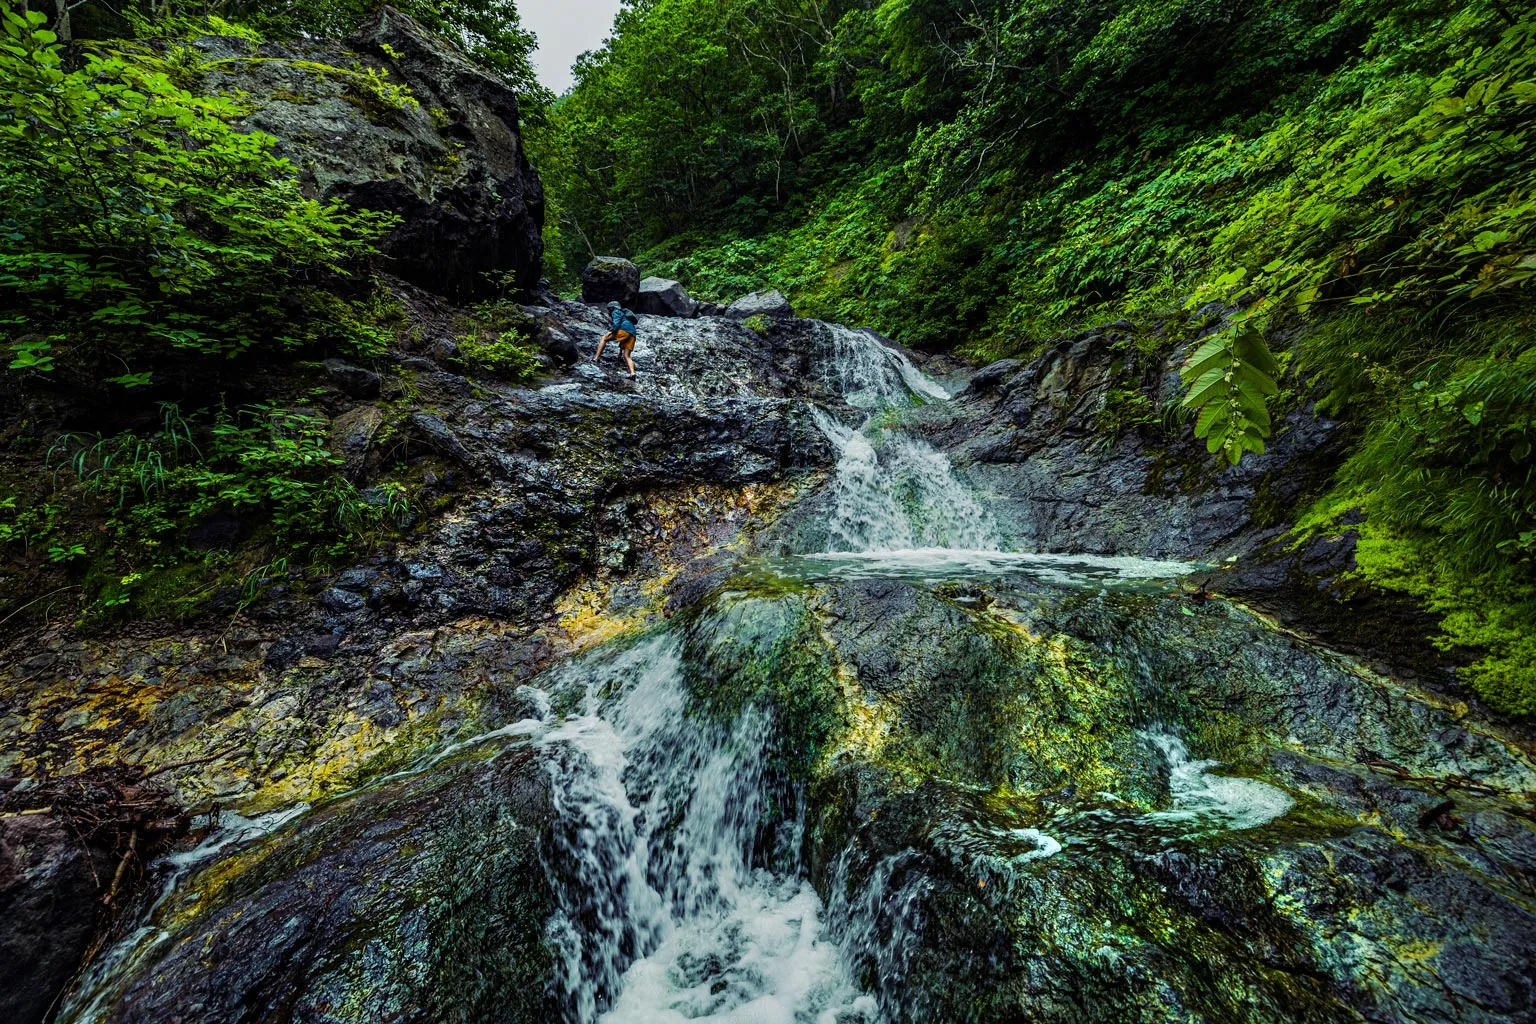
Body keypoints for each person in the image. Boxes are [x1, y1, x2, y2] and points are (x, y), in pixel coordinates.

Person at [593, 300, 639, 378]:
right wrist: (620, 353)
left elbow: (616, 323)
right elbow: (623, 340)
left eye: (608, 309)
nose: (608, 311)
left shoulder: (615, 311)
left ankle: (596, 358)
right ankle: (632, 373)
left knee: (604, 338)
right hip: (632, 334)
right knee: (627, 355)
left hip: (624, 330)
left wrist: (610, 331)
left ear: (611, 308)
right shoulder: (624, 314)